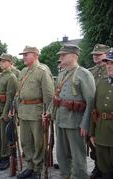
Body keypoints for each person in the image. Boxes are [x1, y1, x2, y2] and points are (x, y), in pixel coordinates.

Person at [43, 44, 95, 179]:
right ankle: (65, 175)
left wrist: (86, 124)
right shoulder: (61, 74)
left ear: (73, 56)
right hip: (60, 119)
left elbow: (91, 101)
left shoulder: (84, 74)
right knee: (61, 154)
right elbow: (56, 97)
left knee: (78, 156)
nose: (61, 57)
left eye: (63, 55)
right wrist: (49, 112)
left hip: (75, 122)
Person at [16, 46, 54, 179]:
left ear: (36, 55)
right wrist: (15, 110)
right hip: (24, 112)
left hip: (37, 113)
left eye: (27, 54)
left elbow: (49, 96)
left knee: (38, 143)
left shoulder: (42, 71)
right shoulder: (23, 71)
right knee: (26, 142)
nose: (24, 57)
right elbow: (18, 93)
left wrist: (48, 114)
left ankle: (38, 169)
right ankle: (30, 167)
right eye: (23, 54)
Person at [90, 49, 113, 179]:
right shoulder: (101, 83)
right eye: (108, 63)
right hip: (101, 133)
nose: (109, 66)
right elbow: (94, 111)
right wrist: (92, 133)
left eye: (112, 63)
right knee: (105, 169)